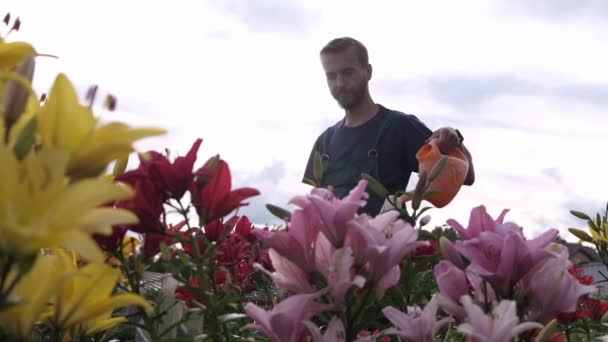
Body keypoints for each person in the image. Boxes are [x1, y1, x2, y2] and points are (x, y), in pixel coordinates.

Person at [303, 37, 475, 216]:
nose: (339, 83)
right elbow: (314, 207)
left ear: (368, 71)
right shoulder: (323, 142)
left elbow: (467, 176)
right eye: (331, 75)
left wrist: (455, 139)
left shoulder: (400, 127)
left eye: (347, 73)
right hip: (334, 243)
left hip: (388, 241)